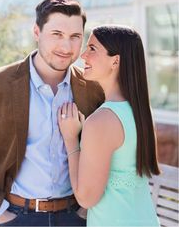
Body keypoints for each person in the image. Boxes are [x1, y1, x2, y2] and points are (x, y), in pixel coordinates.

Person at [0, 0, 104, 227]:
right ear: (36, 32)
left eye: (75, 37)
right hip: (14, 216)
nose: (66, 46)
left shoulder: (93, 88)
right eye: (57, 35)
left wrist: (83, 211)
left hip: (75, 217)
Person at [58, 25, 160, 226]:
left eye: (93, 49)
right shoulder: (140, 110)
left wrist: (71, 139)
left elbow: (86, 198)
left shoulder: (101, 121)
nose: (83, 56)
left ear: (115, 61)